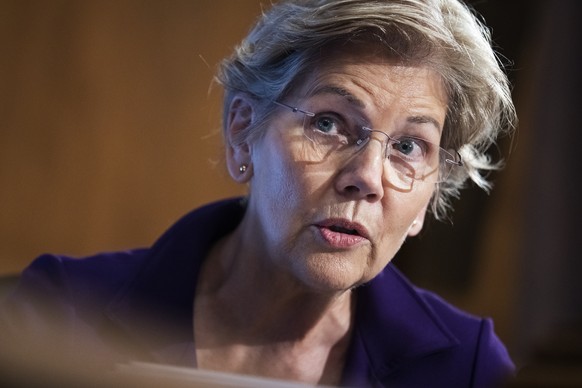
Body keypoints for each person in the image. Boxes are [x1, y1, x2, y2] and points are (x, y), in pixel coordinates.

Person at [1, 0, 517, 386]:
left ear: (430, 192)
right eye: (330, 123)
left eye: (409, 145)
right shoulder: (63, 311)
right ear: (243, 129)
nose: (367, 175)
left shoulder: (467, 368)